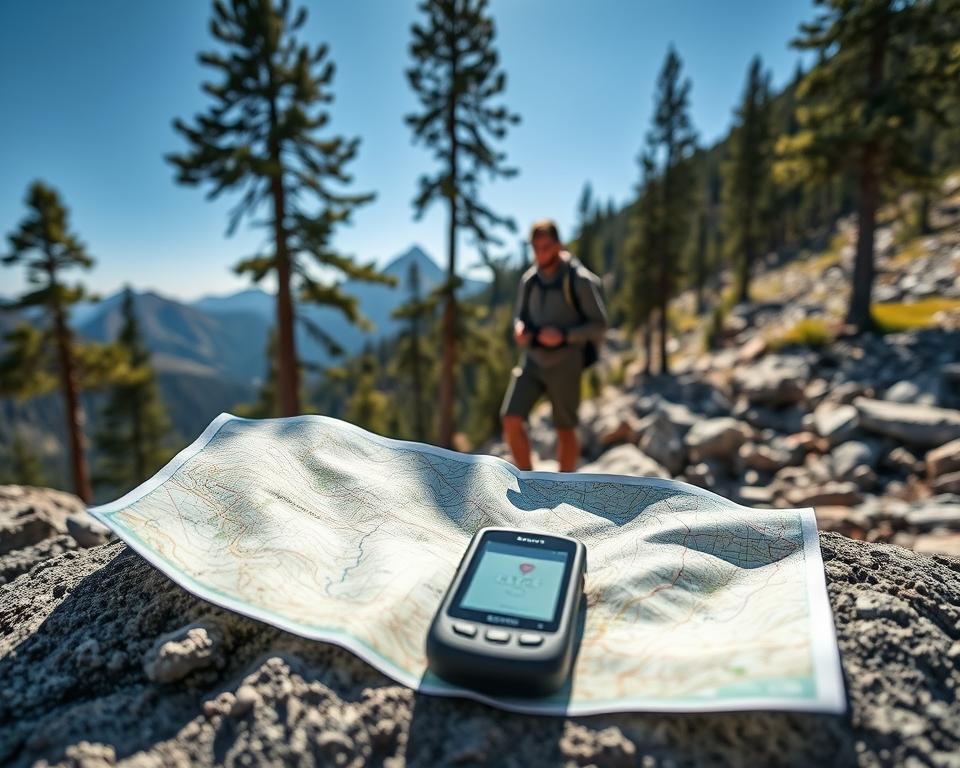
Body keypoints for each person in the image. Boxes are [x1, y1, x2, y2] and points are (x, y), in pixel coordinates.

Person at [500, 219, 608, 472]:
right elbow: (520, 315)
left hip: (566, 363)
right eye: (535, 248)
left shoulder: (578, 279)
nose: (540, 253)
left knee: (565, 428)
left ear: (559, 245)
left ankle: (565, 489)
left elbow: (599, 324)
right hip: (533, 360)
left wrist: (564, 336)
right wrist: (519, 329)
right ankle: (528, 479)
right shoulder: (529, 280)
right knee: (510, 418)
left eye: (546, 247)